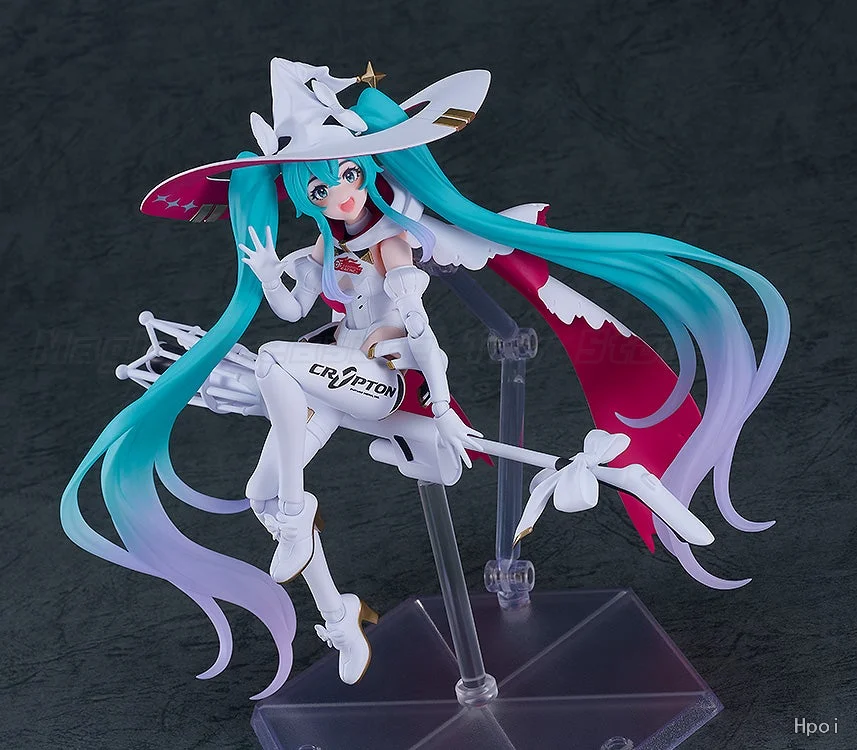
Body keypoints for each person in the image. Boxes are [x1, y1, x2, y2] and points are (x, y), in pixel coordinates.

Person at [61, 58, 789, 699]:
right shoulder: (320, 254)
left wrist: (440, 405)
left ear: (365, 171)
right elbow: (291, 308)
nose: (339, 193)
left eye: (346, 176)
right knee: (259, 484)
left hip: (389, 384)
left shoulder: (394, 245)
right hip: (334, 382)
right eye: (320, 187)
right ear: (303, 196)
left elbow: (424, 336)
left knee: (279, 364)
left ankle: (301, 512)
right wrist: (267, 271)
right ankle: (341, 616)